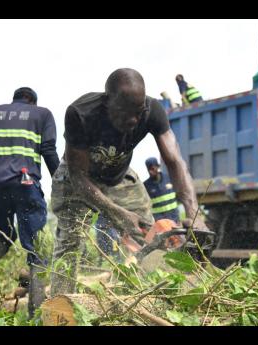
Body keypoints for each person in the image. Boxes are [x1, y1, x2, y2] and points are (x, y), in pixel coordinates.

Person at [50, 68, 209, 295]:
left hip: (118, 175)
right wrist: (117, 213)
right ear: (108, 104)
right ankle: (58, 311)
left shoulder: (153, 111)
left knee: (149, 234)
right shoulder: (81, 113)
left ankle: (153, 297)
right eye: (125, 114)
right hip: (78, 178)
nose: (134, 120)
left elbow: (175, 162)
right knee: (70, 241)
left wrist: (193, 213)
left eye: (139, 112)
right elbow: (78, 177)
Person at [0, 87, 59, 318]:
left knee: (3, 233)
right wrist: (62, 183)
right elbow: (49, 151)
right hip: (25, 183)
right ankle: (37, 314)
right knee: (37, 248)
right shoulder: (42, 114)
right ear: (32, 101)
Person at [143, 157, 180, 224]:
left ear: (158, 166)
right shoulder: (146, 185)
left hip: (174, 218)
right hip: (160, 221)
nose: (150, 172)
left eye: (152, 169)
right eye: (149, 169)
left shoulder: (169, 178)